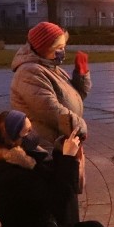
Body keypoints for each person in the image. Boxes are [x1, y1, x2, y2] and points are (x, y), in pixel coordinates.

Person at [11, 21, 91, 150]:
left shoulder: (50, 67)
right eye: (58, 48)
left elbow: (76, 97)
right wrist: (80, 127)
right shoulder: (29, 72)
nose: (63, 51)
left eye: (64, 47)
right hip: (45, 147)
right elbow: (50, 109)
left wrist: (81, 75)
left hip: (62, 144)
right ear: (44, 48)